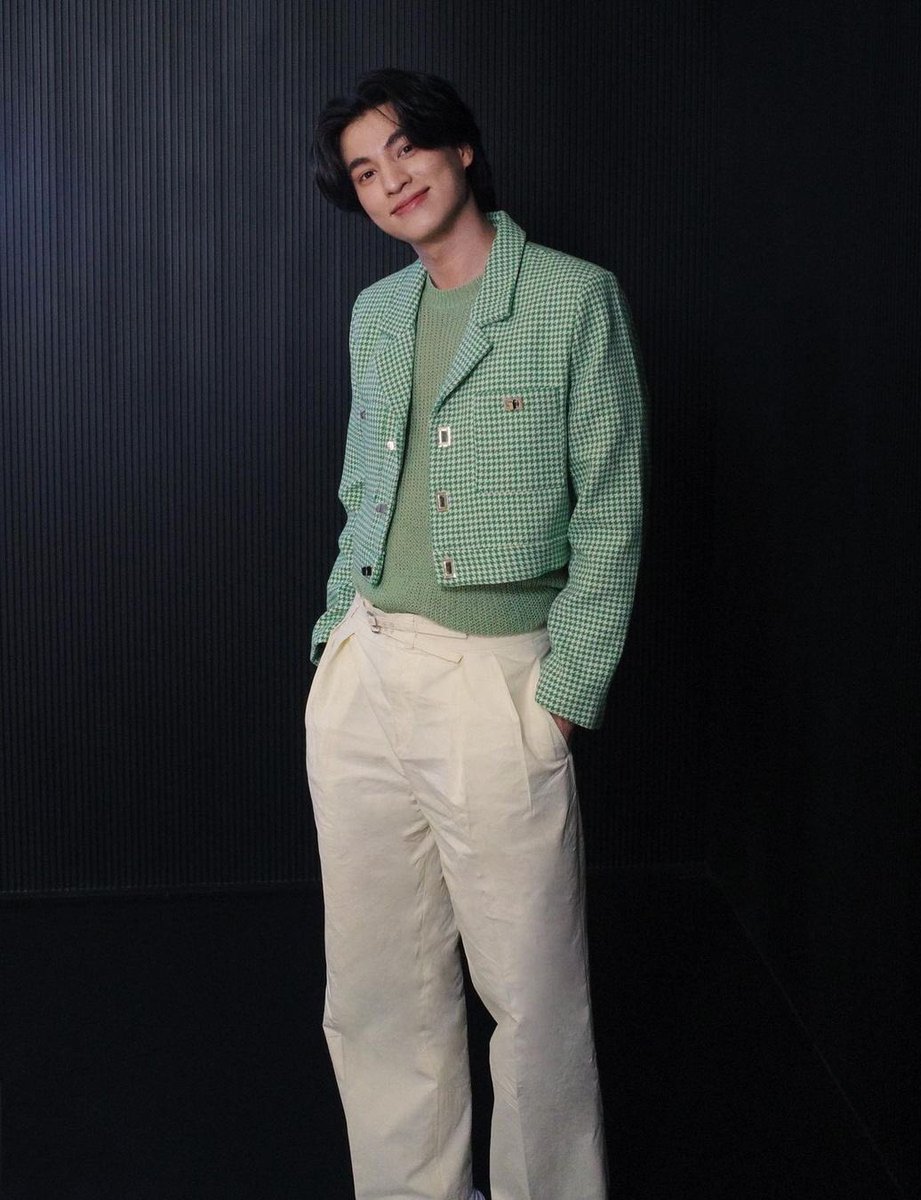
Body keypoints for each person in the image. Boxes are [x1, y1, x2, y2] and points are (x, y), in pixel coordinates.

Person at [306, 68, 647, 1200]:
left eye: (405, 148)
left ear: (459, 149)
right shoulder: (376, 314)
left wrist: (564, 699)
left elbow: (613, 510)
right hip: (366, 668)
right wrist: (333, 634)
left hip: (494, 684)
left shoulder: (572, 298)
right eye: (365, 171)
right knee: (377, 987)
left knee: (534, 998)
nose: (390, 180)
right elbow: (362, 489)